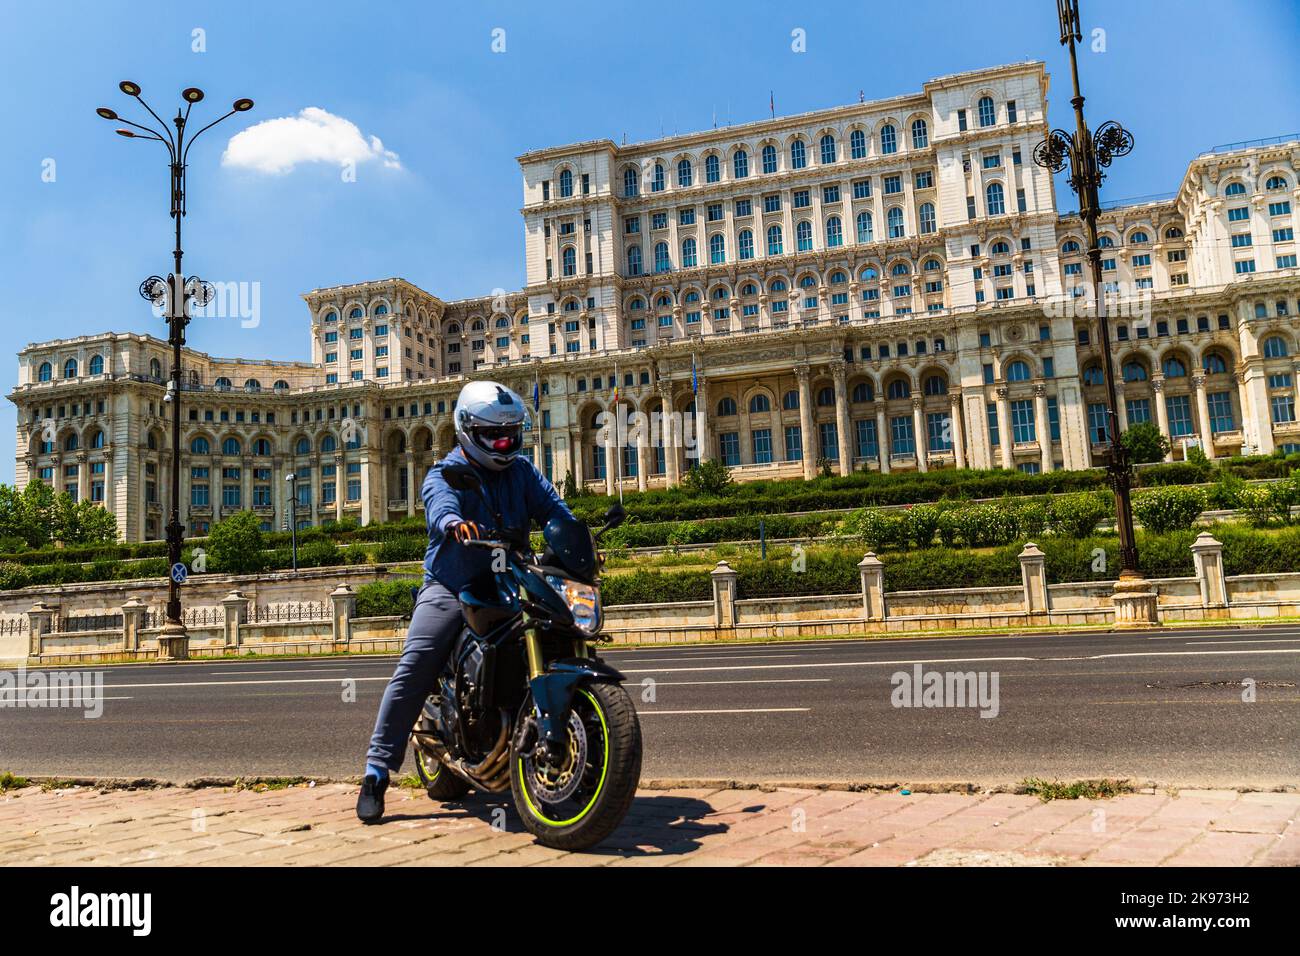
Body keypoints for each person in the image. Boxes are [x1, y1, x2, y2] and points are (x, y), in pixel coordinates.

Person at [357, 380, 574, 822]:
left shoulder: (523, 472)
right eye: (495, 435)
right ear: (468, 431)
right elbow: (439, 506)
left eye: (511, 435)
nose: (504, 443)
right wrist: (454, 523)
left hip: (510, 580)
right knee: (416, 665)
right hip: (453, 584)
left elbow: (555, 511)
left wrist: (577, 536)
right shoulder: (444, 472)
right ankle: (376, 772)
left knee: (558, 626)